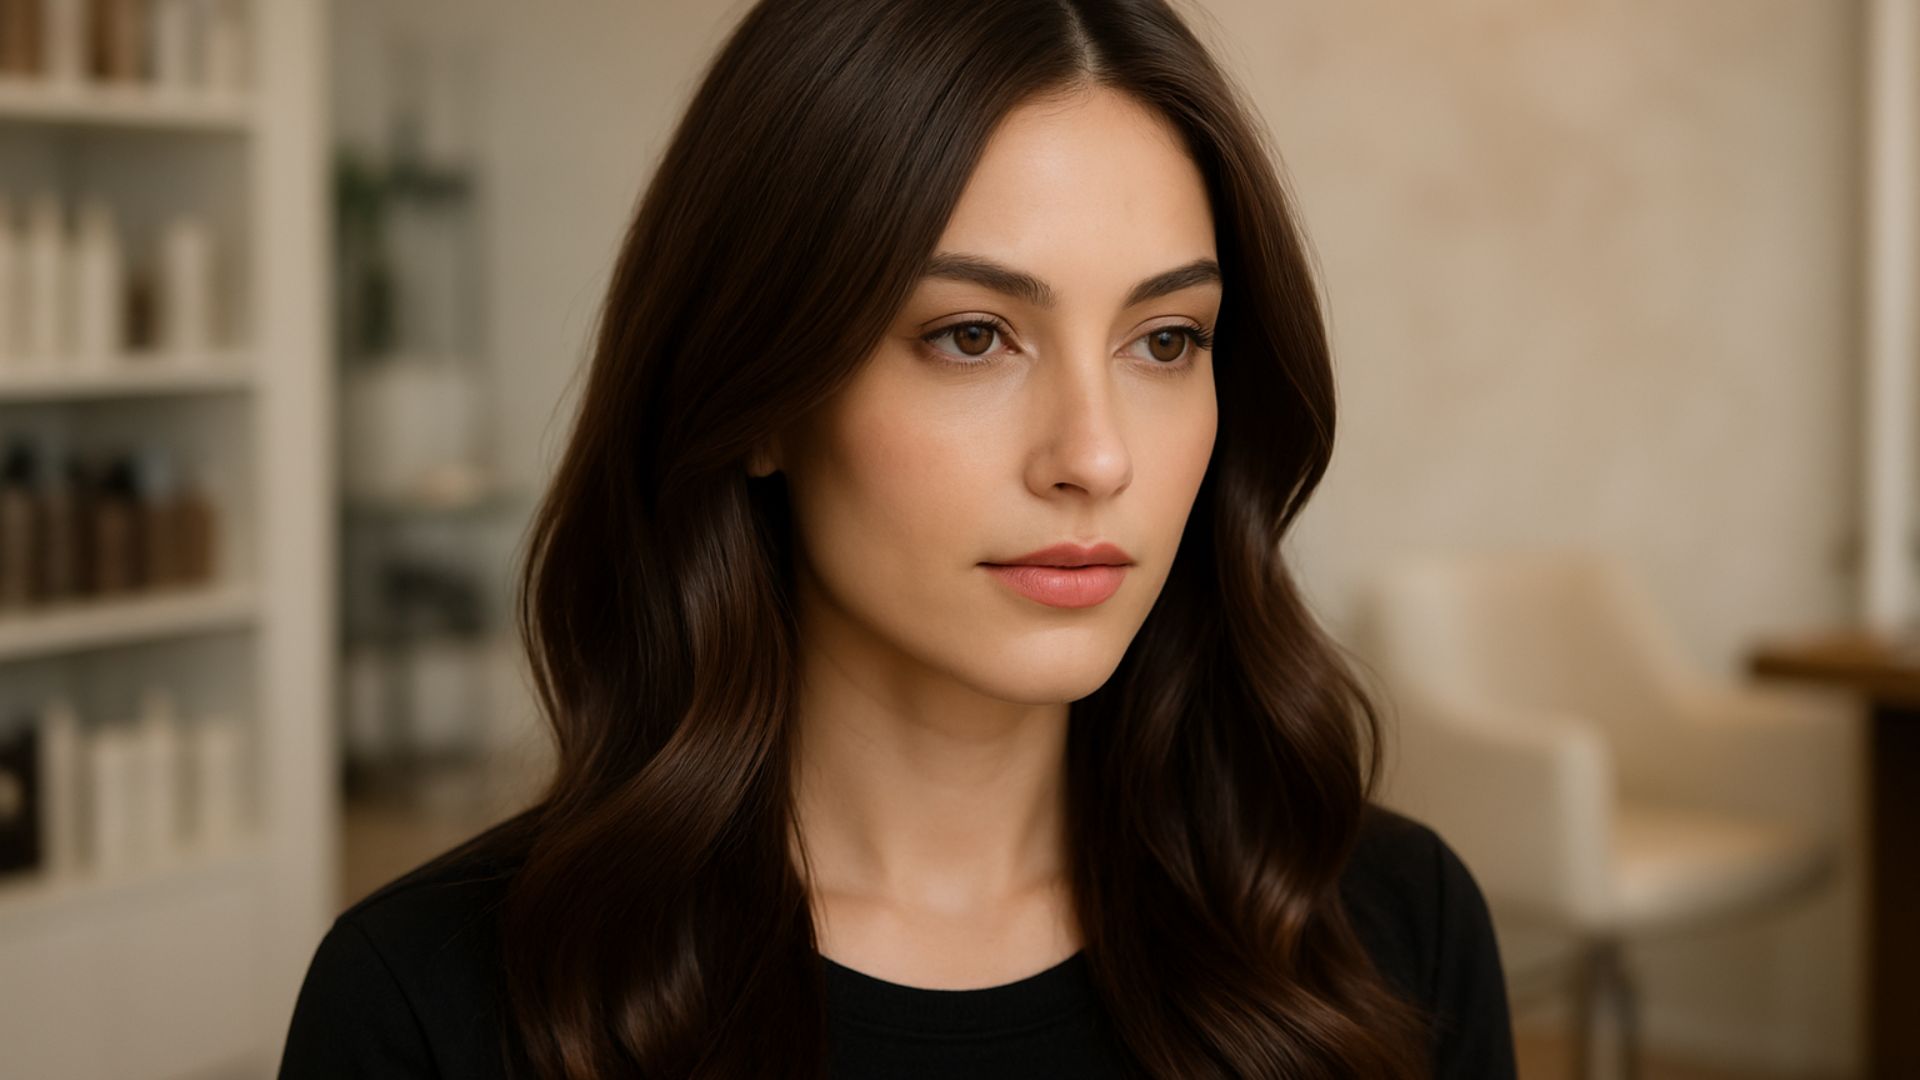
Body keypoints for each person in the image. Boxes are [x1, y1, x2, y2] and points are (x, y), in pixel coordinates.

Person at [279, 0, 1518, 1076]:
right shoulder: (429, 1007)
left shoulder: (1388, 934)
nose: (1095, 456)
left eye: (1166, 340)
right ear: (761, 393)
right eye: (973, 335)